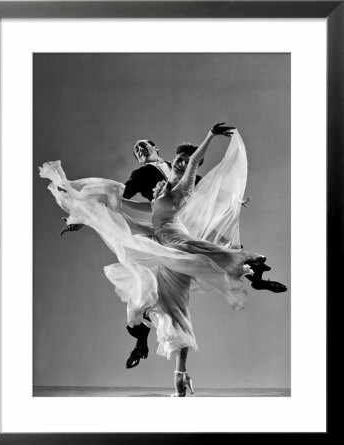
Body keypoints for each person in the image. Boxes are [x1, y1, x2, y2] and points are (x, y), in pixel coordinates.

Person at [39, 123, 286, 396]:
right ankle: (181, 376)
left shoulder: (183, 189)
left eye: (183, 160)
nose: (180, 162)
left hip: (180, 246)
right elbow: (123, 210)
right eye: (177, 159)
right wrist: (83, 219)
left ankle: (250, 269)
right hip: (165, 253)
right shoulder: (157, 198)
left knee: (211, 252)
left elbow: (193, 165)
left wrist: (210, 136)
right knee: (172, 312)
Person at [59, 138, 202, 370]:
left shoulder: (177, 165)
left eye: (143, 145)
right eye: (136, 149)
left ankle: (250, 271)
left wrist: (234, 200)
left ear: (157, 148)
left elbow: (204, 186)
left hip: (182, 229)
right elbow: (117, 198)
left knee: (175, 284)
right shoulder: (142, 173)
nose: (139, 149)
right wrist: (84, 218)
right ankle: (143, 342)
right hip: (155, 229)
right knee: (147, 287)